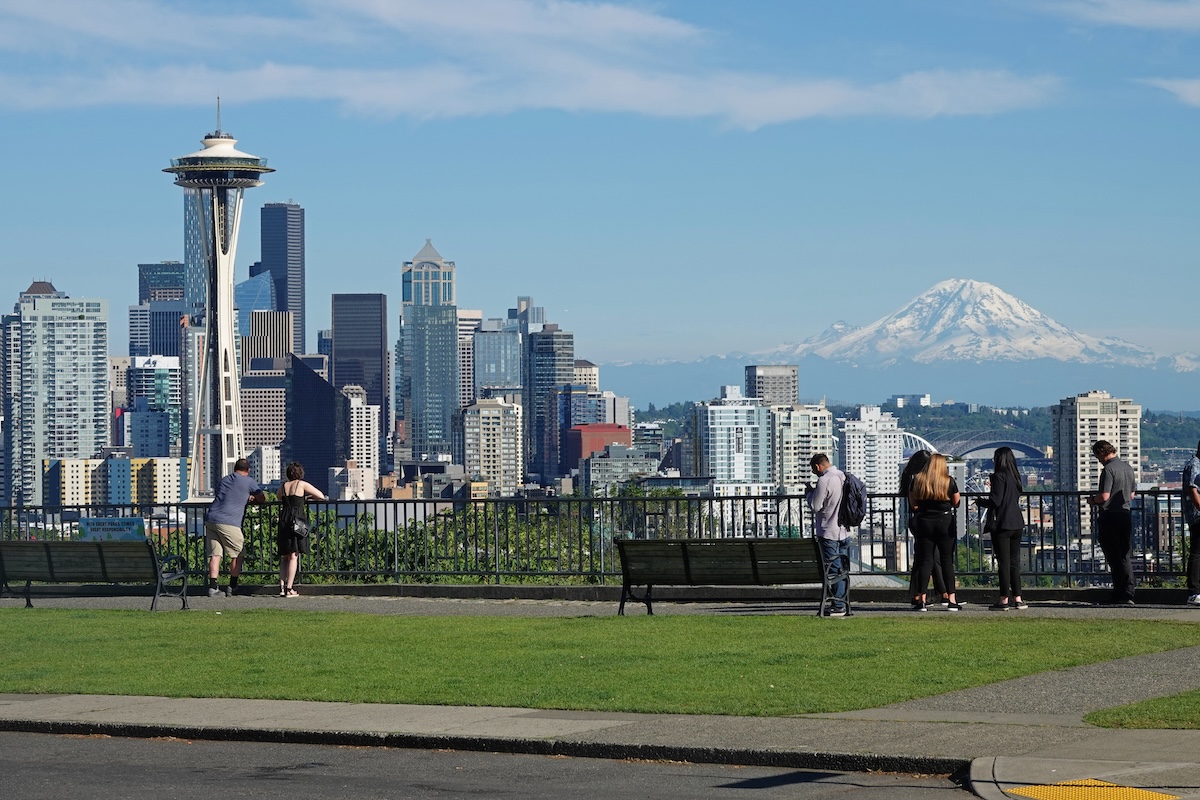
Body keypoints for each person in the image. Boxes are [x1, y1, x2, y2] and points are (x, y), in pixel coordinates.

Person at [204, 458, 266, 597]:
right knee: (238, 554)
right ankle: (233, 586)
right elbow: (262, 498)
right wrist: (252, 498)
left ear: (235, 469)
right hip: (229, 521)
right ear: (248, 470)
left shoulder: (225, 479)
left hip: (212, 518)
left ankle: (213, 587)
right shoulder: (249, 481)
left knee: (215, 554)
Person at [909, 453, 962, 612]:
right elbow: (956, 502)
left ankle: (922, 599)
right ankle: (951, 599)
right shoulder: (949, 481)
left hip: (924, 522)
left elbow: (913, 504)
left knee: (925, 561)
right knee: (946, 561)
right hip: (945, 522)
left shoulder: (917, 480)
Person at [976, 447, 1027, 610]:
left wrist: (981, 502)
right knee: (1014, 562)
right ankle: (1018, 598)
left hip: (1002, 524)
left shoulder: (998, 477)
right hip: (1017, 522)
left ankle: (1003, 599)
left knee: (1003, 563)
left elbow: (995, 501)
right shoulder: (1015, 476)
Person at [1088, 440, 1137, 605]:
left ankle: (1118, 593)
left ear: (1102, 452)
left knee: (1113, 556)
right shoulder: (1128, 468)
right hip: (1125, 514)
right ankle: (1129, 591)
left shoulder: (1108, 470)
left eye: (1097, 456)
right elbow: (1131, 495)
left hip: (1110, 516)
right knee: (1124, 554)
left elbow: (1104, 496)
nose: (1098, 460)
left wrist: (1093, 500)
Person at [806, 453, 851, 617]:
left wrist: (809, 493)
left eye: (814, 470)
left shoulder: (824, 480)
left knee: (833, 569)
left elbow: (815, 506)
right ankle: (843, 602)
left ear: (817, 466)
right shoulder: (842, 476)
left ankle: (838, 606)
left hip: (828, 530)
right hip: (844, 530)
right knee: (842, 569)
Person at [901, 450, 948, 607]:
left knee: (924, 559)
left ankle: (919, 594)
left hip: (918, 521)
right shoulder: (921, 480)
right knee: (932, 558)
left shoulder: (910, 477)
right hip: (925, 521)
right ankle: (943, 593)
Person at [277, 462, 327, 598]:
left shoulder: (283, 486)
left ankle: (281, 587)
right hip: (297, 520)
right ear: (300, 474)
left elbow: (278, 496)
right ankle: (289, 588)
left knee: (285, 556)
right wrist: (306, 498)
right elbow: (320, 495)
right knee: (294, 555)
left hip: (284, 520)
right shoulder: (301, 484)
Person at [1182, 441, 1200, 607]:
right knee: (1197, 553)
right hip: (1198, 515)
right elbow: (1192, 489)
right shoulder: (1195, 465)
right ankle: (1194, 591)